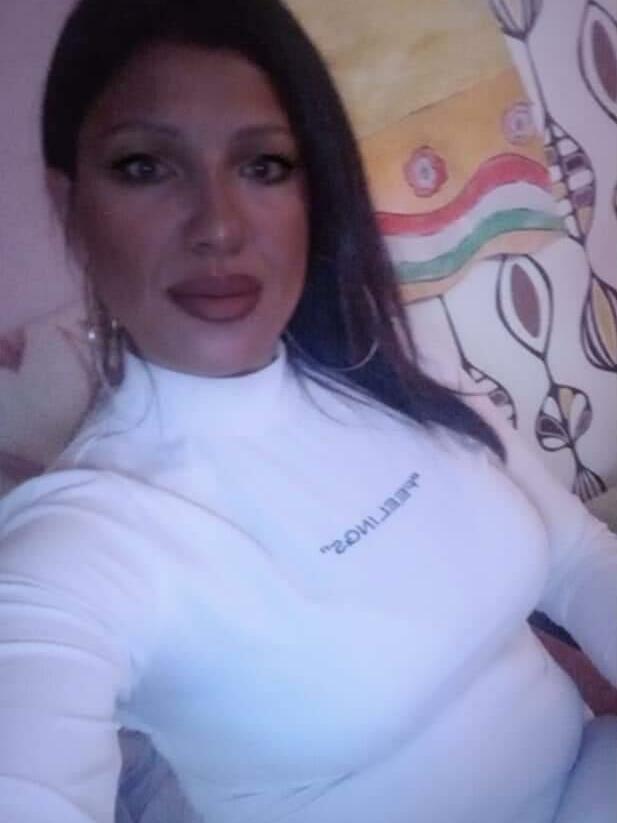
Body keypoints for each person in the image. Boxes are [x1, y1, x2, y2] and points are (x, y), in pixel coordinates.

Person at [0, 0, 615, 821]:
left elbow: (576, 559)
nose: (218, 226)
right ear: (70, 203)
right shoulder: (81, 540)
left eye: (264, 165)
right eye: (145, 166)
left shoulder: (389, 361)